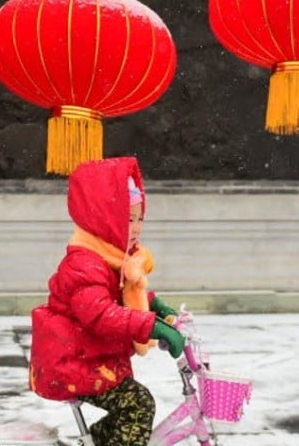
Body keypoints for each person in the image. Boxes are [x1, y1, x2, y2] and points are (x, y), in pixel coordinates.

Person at [29, 156, 184, 445]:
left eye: (140, 218)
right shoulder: (84, 265)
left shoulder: (111, 257)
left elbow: (118, 294)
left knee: (129, 409)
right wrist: (151, 326)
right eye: (128, 218)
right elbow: (100, 314)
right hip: (73, 362)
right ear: (104, 218)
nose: (136, 228)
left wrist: (154, 304)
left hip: (93, 358)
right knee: (137, 405)